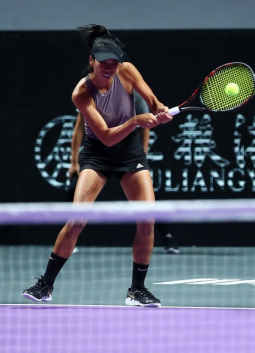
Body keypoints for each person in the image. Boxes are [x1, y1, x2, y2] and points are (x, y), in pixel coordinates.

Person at [22, 24, 172, 307]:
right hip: (98, 154)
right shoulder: (82, 92)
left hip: (130, 154)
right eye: (104, 63)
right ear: (92, 61)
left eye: (114, 63)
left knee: (147, 220)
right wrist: (137, 121)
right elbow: (105, 135)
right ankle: (46, 285)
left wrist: (160, 110)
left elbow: (153, 101)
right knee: (77, 219)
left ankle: (137, 290)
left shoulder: (127, 71)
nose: (110, 68)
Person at [69, 93, 180, 254]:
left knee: (148, 205)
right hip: (98, 157)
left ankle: (167, 237)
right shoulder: (91, 93)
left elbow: (145, 128)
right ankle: (69, 238)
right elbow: (79, 128)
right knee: (73, 192)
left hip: (128, 156)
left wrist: (141, 157)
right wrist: (73, 162)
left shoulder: (135, 95)